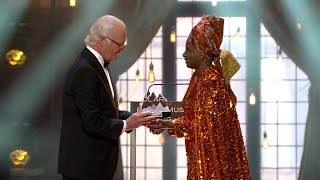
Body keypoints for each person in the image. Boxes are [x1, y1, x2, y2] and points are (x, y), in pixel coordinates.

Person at [148, 15, 251, 179]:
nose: (184, 54)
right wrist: (167, 123)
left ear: (203, 53)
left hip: (211, 164)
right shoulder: (199, 78)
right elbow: (196, 121)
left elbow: (201, 128)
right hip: (201, 157)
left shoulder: (210, 81)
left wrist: (167, 123)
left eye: (189, 49)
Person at [58, 15, 155, 180]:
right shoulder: (85, 70)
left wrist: (134, 118)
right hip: (84, 170)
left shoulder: (96, 65)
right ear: (102, 40)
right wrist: (126, 124)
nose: (122, 49)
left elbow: (106, 111)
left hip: (94, 168)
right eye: (120, 44)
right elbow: (92, 122)